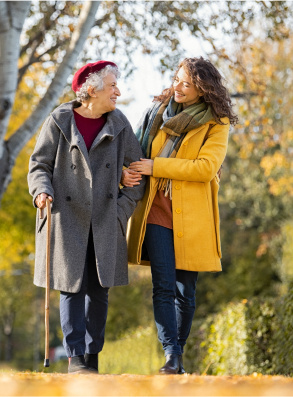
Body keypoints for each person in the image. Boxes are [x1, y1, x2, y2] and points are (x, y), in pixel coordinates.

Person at [28, 61, 145, 374]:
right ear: (91, 91)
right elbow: (39, 165)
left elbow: (138, 174)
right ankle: (76, 358)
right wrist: (41, 191)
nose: (118, 92)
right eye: (112, 87)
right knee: (72, 287)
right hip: (67, 217)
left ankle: (92, 357)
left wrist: (121, 211)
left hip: (106, 219)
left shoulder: (120, 123)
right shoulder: (59, 121)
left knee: (99, 289)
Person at [123, 57, 238, 374]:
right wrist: (125, 170)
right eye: (176, 79)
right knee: (163, 286)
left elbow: (205, 168)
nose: (177, 87)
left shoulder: (216, 123)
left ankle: (178, 353)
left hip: (193, 216)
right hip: (156, 209)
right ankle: (172, 356)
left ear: (203, 90)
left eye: (186, 84)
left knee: (186, 292)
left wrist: (156, 167)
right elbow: (133, 148)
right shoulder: (157, 112)